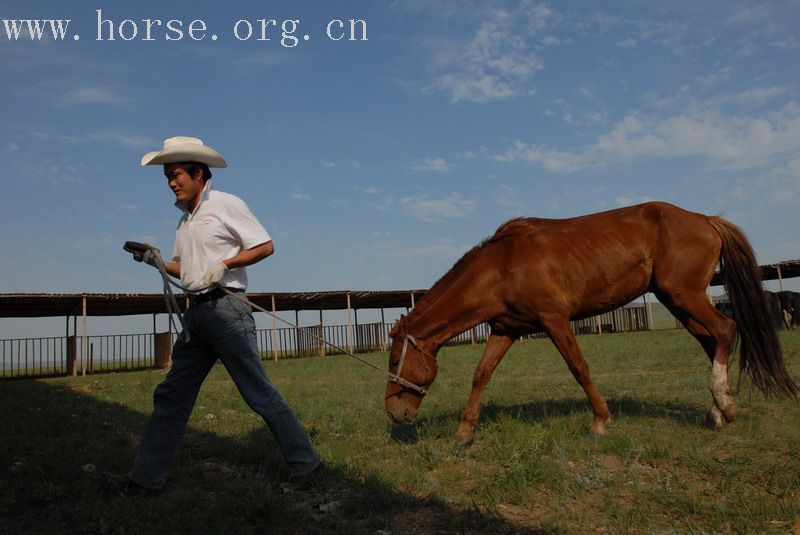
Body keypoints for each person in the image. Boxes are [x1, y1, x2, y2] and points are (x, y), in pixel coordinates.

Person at [110, 136, 321, 494]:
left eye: (176, 175)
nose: (171, 183)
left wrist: (225, 264)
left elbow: (265, 245)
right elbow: (187, 269)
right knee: (171, 396)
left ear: (199, 174)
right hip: (196, 317)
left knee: (257, 392)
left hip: (227, 310)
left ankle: (305, 462)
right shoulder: (185, 223)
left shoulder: (226, 204)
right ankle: (144, 481)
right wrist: (156, 261)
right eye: (167, 178)